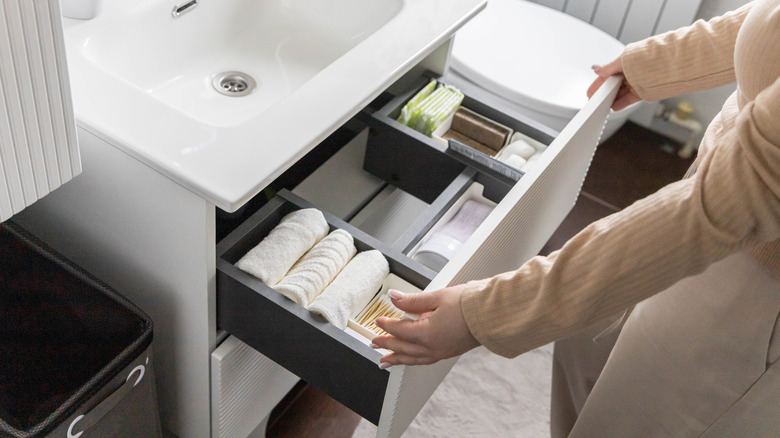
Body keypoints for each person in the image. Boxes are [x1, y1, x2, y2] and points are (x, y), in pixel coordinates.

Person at [370, 1, 780, 435]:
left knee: (625, 418)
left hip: (757, 286)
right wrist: (656, 63)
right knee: (585, 343)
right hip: (725, 197)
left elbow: (706, 211)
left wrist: (485, 315)